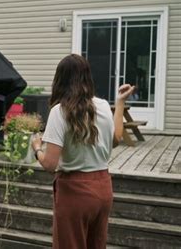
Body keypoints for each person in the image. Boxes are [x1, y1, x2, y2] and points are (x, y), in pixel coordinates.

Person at [31, 54, 134, 249]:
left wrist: (37, 148)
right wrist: (119, 102)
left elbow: (50, 165)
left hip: (74, 193)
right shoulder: (103, 106)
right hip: (103, 189)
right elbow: (116, 139)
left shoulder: (59, 111)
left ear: (59, 80)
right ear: (88, 77)